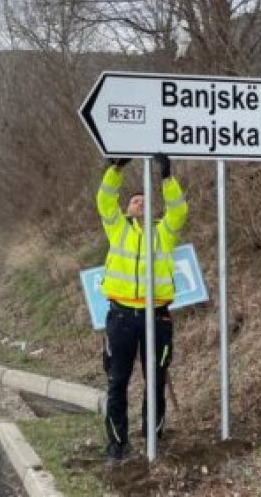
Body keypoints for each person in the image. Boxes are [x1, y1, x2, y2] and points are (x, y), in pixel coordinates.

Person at [97, 154, 188, 462]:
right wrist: (116, 169)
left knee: (156, 379)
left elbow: (179, 209)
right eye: (134, 200)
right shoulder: (117, 229)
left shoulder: (164, 233)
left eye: (144, 200)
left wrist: (167, 178)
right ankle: (117, 444)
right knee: (118, 380)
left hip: (157, 316)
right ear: (127, 208)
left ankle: (152, 438)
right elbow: (104, 198)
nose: (139, 203)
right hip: (121, 316)